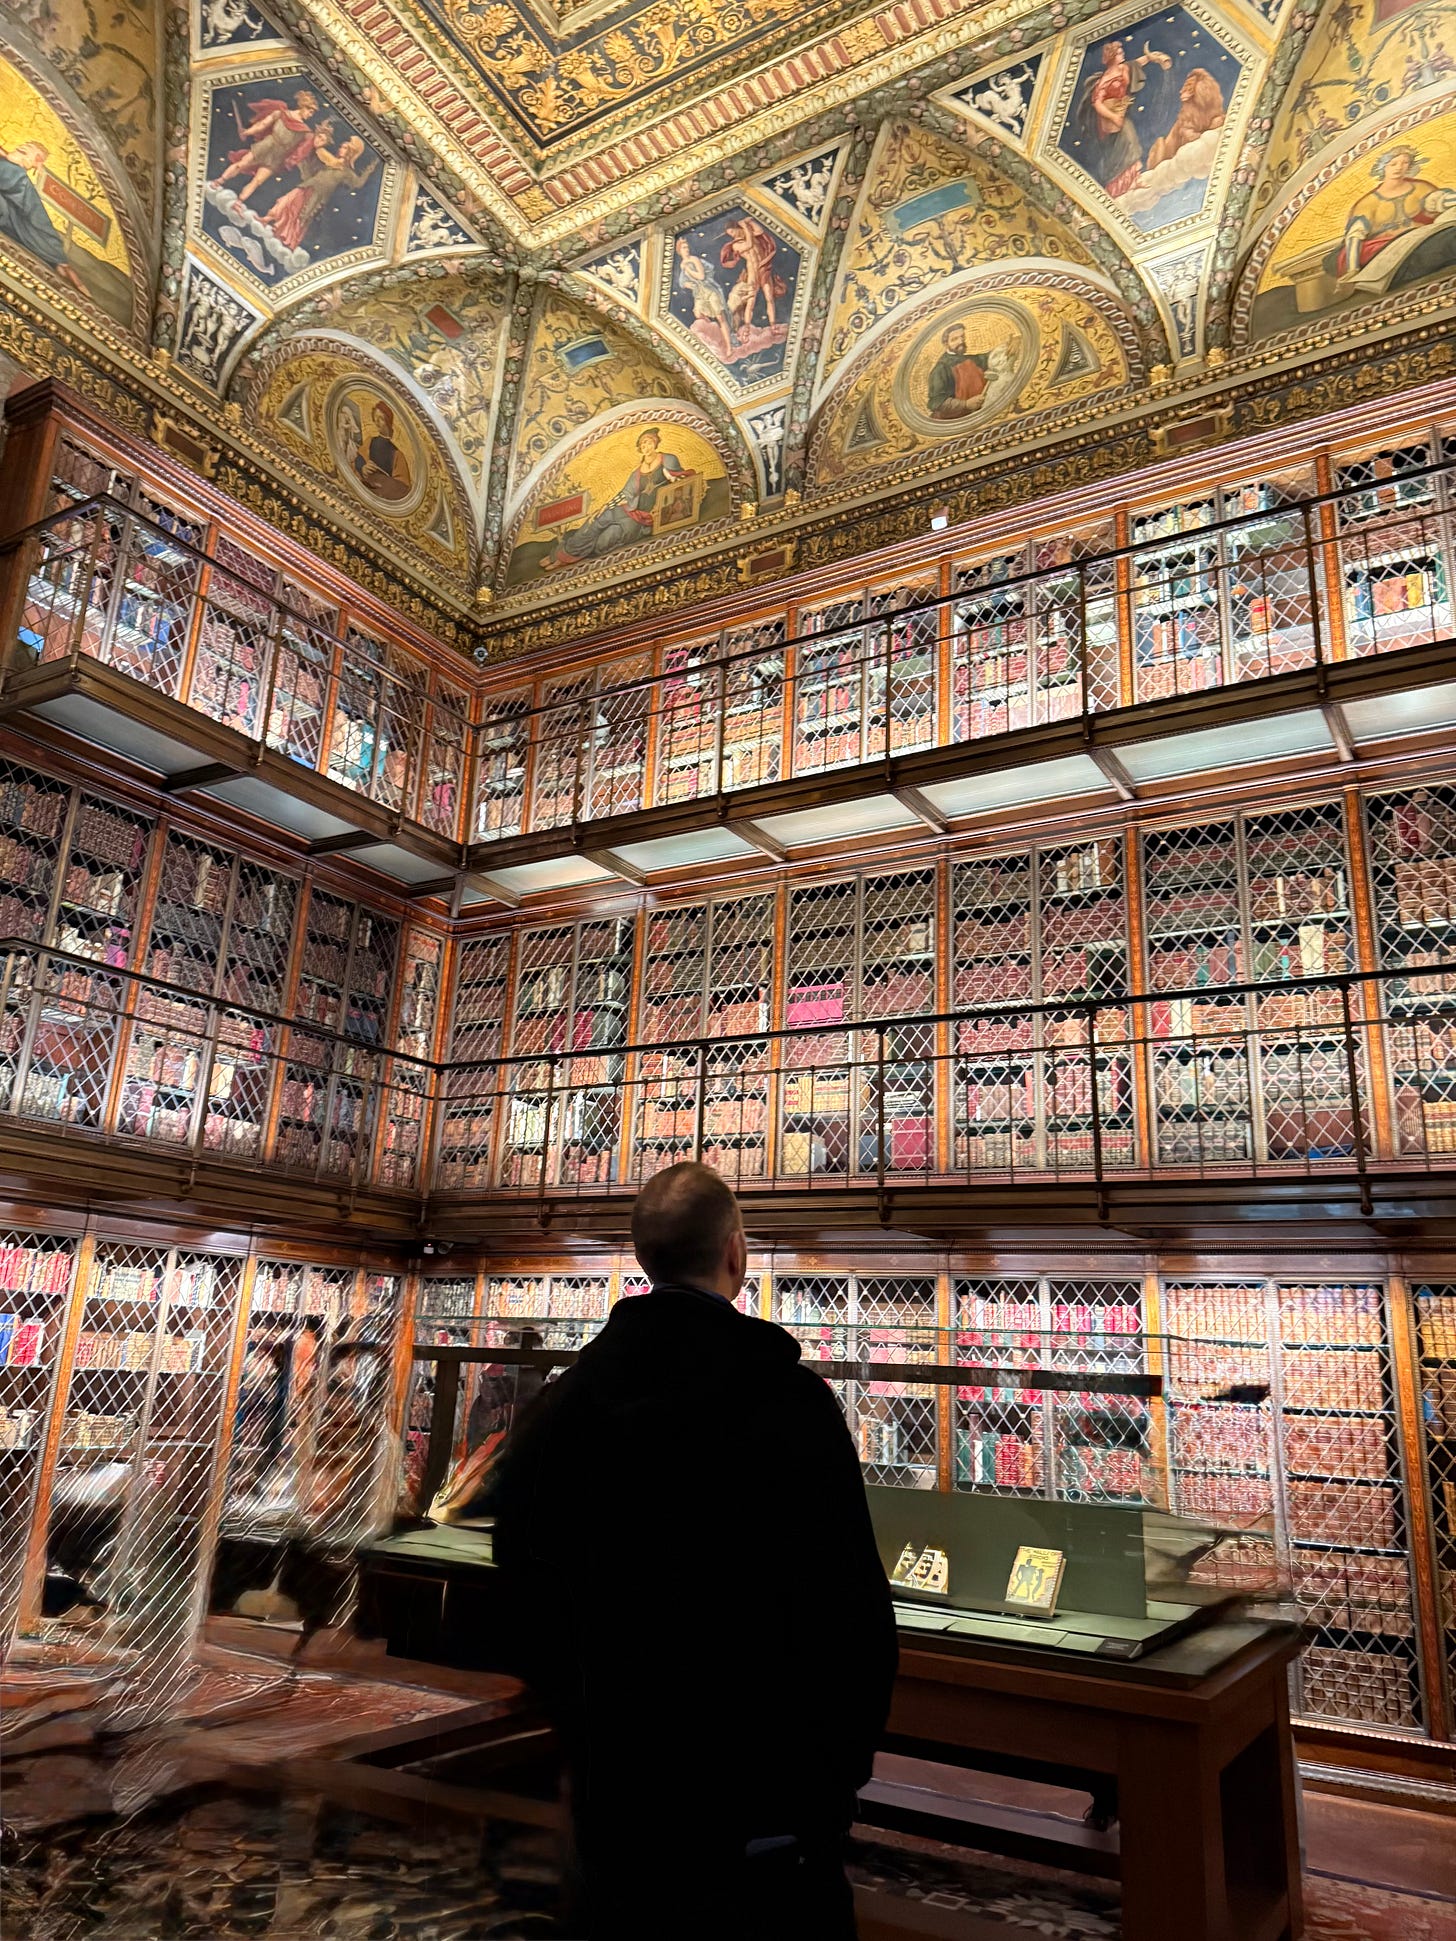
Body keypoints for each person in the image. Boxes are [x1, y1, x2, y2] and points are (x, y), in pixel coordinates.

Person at [488, 1162, 898, 1940]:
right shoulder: (792, 1405)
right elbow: (852, 1617)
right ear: (737, 1254)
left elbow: (522, 1585)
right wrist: (829, 1783)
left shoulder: (567, 1406)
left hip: (617, 1805)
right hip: (767, 1818)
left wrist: (584, 1734)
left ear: (644, 1257)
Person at [542, 427, 692, 569]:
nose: (646, 446)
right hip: (631, 510)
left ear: (655, 442)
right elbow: (625, 494)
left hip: (646, 518)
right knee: (597, 519)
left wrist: (673, 478)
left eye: (648, 442)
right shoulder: (637, 472)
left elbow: (682, 482)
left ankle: (577, 555)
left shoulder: (668, 459)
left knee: (603, 543)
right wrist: (605, 506)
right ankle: (563, 555)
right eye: (642, 444)